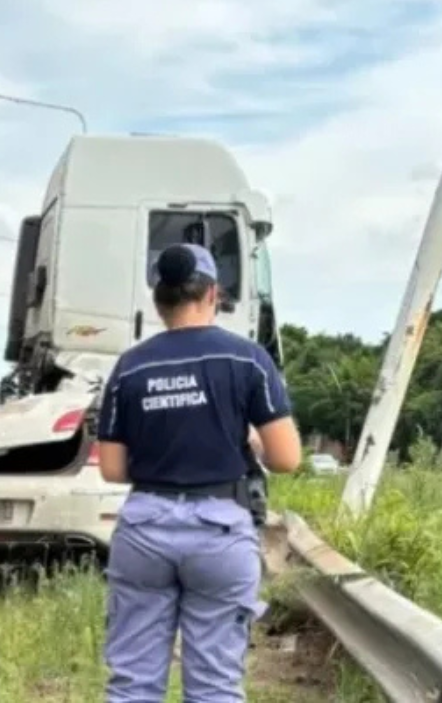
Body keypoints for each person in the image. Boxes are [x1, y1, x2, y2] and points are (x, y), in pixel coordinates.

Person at [95, 243, 302, 703]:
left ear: (158, 300)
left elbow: (111, 469)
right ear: (212, 293)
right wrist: (248, 441)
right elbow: (287, 458)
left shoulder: (130, 367)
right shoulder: (248, 359)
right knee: (214, 687)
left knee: (132, 684)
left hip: (144, 529)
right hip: (221, 533)